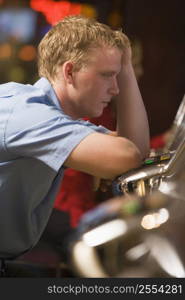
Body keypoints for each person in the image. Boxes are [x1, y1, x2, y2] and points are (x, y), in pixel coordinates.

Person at [0, 15, 150, 259]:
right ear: (69, 72)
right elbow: (128, 155)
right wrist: (125, 70)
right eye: (106, 75)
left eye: (116, 75)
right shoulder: (28, 115)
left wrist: (126, 67)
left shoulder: (54, 117)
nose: (115, 89)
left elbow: (134, 148)